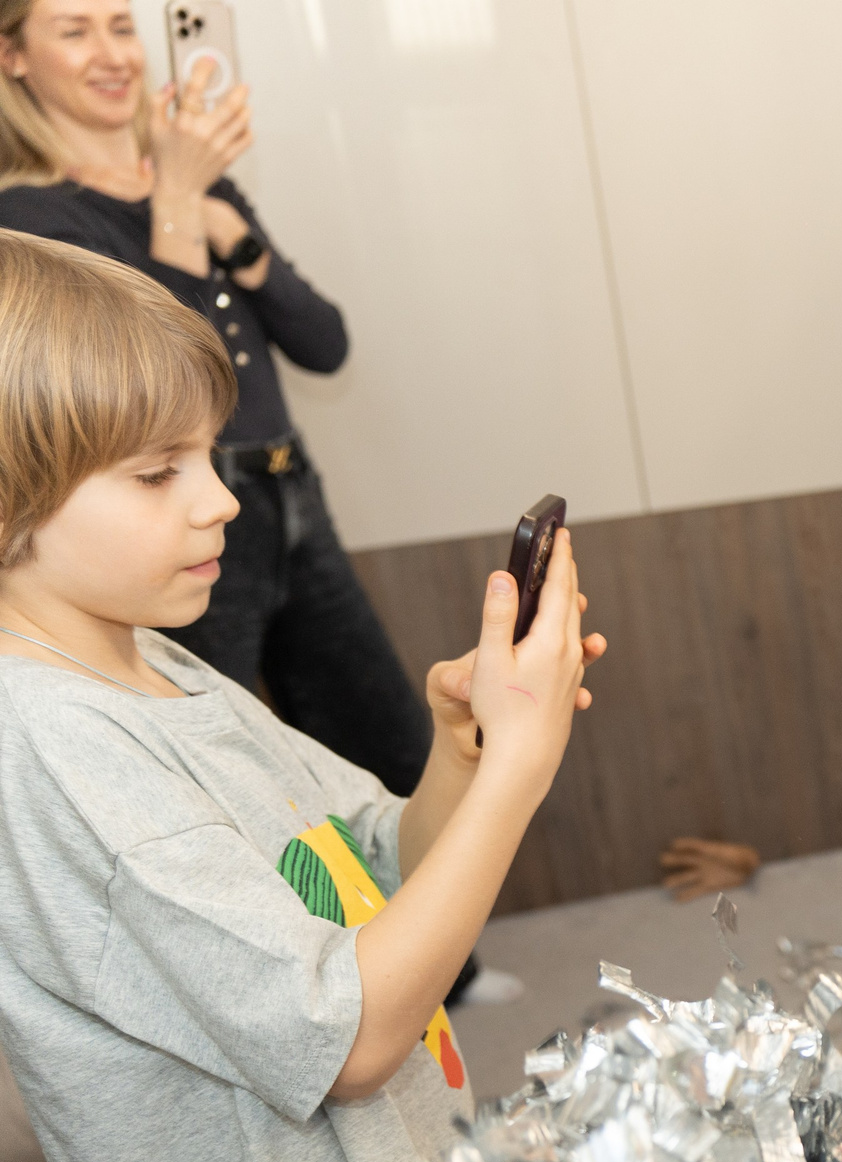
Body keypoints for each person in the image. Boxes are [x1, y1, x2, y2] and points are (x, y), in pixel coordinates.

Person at [0, 230, 603, 1162]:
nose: (218, 502)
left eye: (208, 455)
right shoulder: (56, 749)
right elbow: (350, 1028)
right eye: (155, 475)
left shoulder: (159, 661)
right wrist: (516, 782)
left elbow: (379, 873)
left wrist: (467, 747)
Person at [0, 0, 514, 1003]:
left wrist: (226, 226)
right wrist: (181, 206)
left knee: (370, 726)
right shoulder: (33, 221)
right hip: (164, 519)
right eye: (75, 30)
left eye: (120, 24)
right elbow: (155, 372)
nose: (111, 52)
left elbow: (322, 341)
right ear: (13, 56)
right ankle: (306, 990)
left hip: (284, 487)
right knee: (215, 774)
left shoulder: (194, 183)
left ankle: (438, 970)